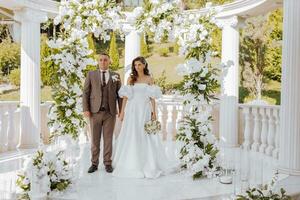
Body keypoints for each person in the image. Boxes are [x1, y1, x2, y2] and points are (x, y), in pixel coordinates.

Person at [112, 56, 177, 178]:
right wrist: (122, 113)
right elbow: (126, 96)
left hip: (144, 110)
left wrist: (154, 113)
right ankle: (131, 162)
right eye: (135, 65)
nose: (137, 67)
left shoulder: (149, 79)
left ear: (144, 65)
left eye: (139, 65)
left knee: (145, 134)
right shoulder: (131, 79)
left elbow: (152, 97)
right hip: (132, 110)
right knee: (132, 133)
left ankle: (149, 163)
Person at [82, 53, 122, 173]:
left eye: (105, 60)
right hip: (94, 112)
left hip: (110, 113)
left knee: (108, 139)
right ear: (98, 62)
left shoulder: (116, 76)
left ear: (109, 61)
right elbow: (85, 93)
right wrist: (86, 109)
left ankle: (107, 163)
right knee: (95, 139)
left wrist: (121, 110)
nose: (103, 62)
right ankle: (94, 163)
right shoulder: (91, 74)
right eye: (100, 60)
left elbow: (119, 94)